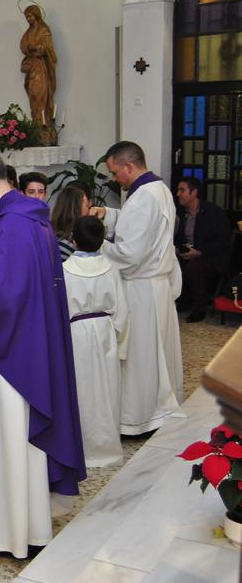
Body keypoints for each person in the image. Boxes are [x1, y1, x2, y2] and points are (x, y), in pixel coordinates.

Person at [0, 149, 85, 559]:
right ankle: (28, 524)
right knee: (23, 447)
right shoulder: (32, 219)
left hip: (9, 357)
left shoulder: (10, 226)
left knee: (1, 439)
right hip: (31, 345)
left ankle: (2, 533)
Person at [94, 141, 183, 433]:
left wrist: (95, 245)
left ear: (129, 167)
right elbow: (139, 225)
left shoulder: (144, 196)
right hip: (154, 286)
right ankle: (159, 410)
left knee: (142, 358)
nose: (114, 178)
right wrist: (108, 214)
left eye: (115, 172)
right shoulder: (156, 189)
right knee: (156, 356)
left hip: (142, 289)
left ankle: (142, 418)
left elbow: (129, 253)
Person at [63, 216, 129, 468]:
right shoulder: (111, 268)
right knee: (107, 389)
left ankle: (83, 448)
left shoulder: (64, 270)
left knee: (82, 390)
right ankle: (107, 448)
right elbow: (122, 312)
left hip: (76, 333)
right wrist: (120, 344)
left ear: (74, 239)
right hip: (105, 332)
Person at [174, 175, 232, 323]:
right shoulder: (179, 212)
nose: (178, 193)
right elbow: (175, 235)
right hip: (188, 252)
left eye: (182, 190)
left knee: (194, 268)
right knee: (171, 263)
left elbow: (223, 240)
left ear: (194, 193)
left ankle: (199, 308)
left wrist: (200, 252)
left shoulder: (213, 212)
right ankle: (184, 300)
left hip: (211, 255)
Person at [20, 4, 57, 144]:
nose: (28, 19)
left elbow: (47, 47)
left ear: (36, 15)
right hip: (32, 67)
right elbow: (23, 45)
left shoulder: (44, 30)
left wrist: (37, 48)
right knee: (33, 95)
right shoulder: (28, 32)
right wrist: (30, 49)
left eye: (30, 16)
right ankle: (36, 124)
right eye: (26, 17)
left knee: (41, 94)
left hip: (42, 67)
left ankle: (44, 124)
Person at [50, 183, 91, 261]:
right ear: (76, 209)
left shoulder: (53, 236)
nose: (89, 208)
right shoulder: (66, 245)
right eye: (86, 205)